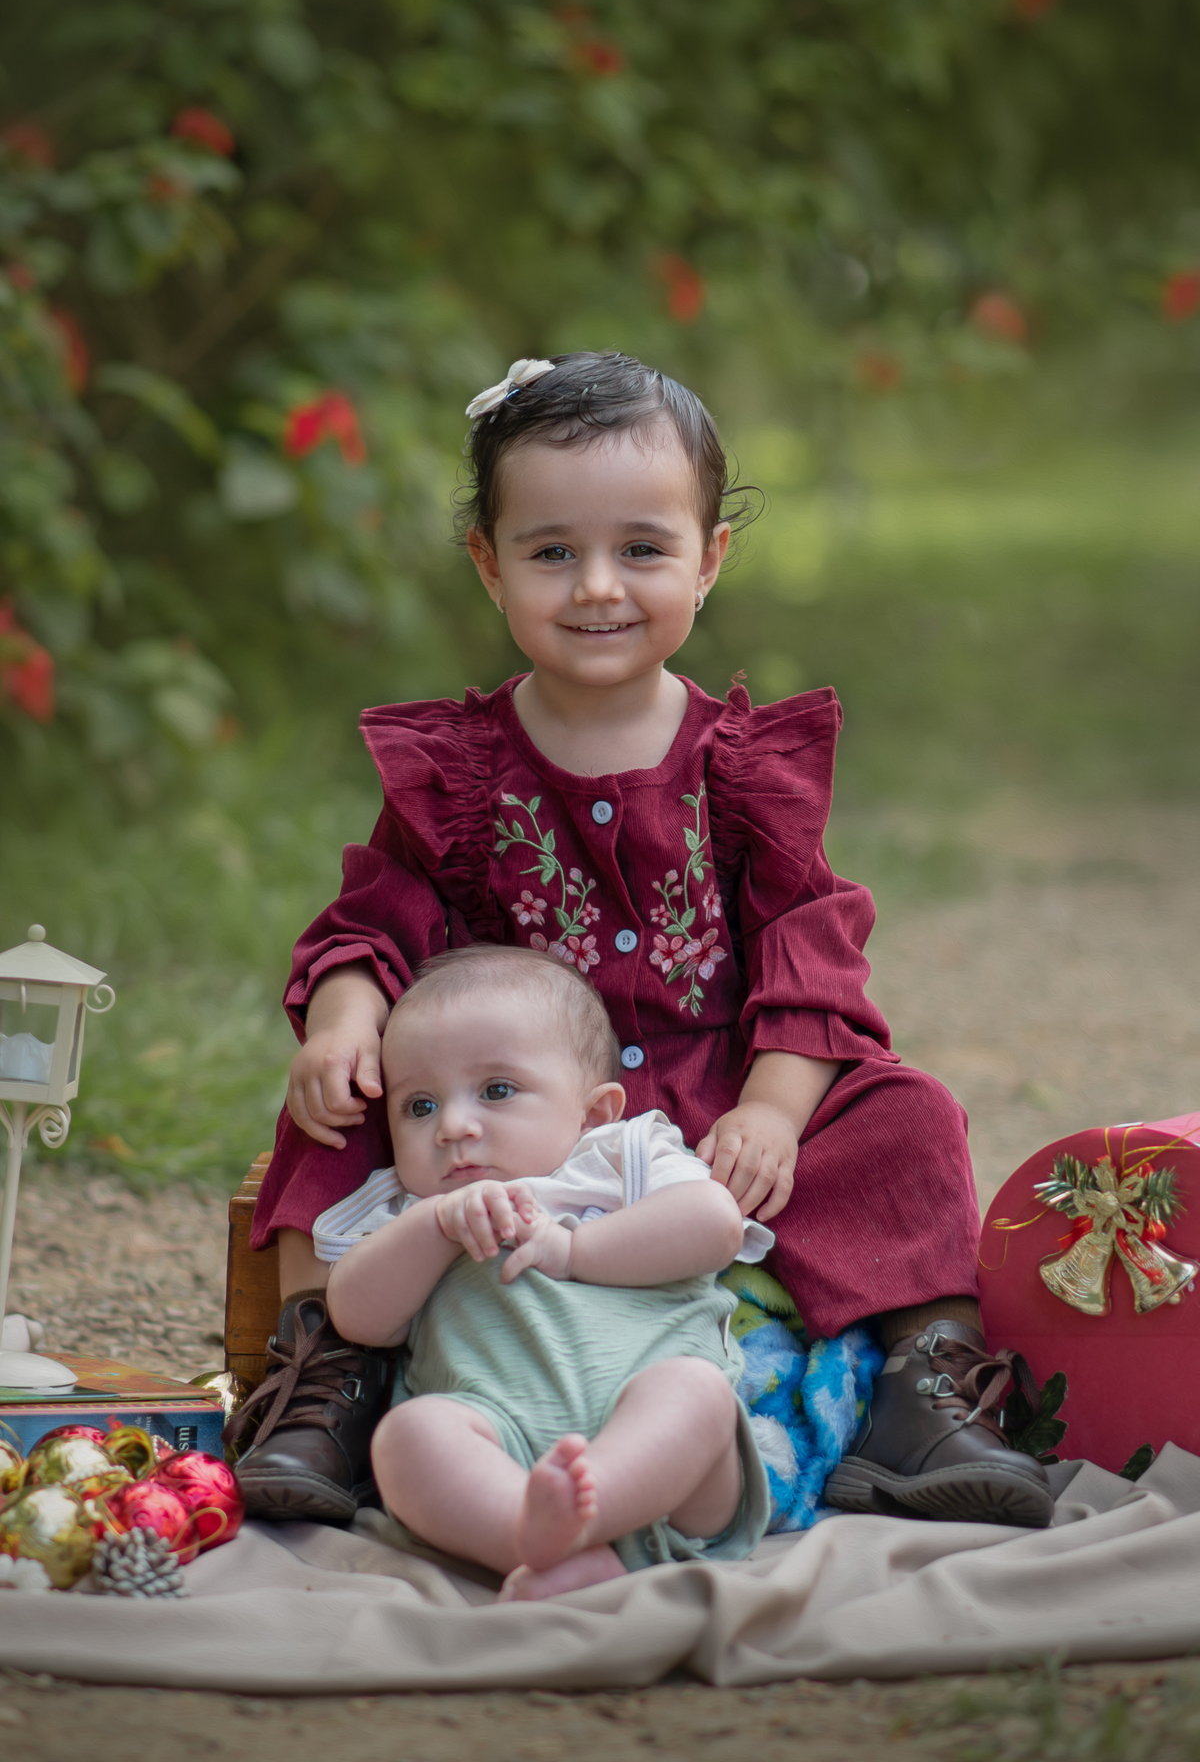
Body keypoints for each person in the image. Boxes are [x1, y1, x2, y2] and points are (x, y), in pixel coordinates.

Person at [231, 349, 1053, 1533]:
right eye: (552, 551)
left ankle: (923, 1392)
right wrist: (349, 1021)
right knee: (340, 1103)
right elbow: (378, 916)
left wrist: (772, 1110)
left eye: (644, 549)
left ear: (710, 559)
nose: (597, 586)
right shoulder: (461, 771)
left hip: (720, 1092)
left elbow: (807, 950)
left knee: (906, 1113)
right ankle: (329, 1384)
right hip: (521, 1097)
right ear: (489, 564)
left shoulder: (740, 765)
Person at [320, 945, 771, 1600]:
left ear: (592, 1113)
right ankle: (535, 1539)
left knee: (694, 1389)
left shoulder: (621, 1155)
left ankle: (575, 1521)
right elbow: (357, 1316)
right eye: (418, 1106)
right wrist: (438, 1225)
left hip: (669, 1465)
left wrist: (574, 1251)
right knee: (409, 1438)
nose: (453, 1126)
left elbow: (714, 1224)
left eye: (497, 1091)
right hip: (499, 1443)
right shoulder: (410, 1206)